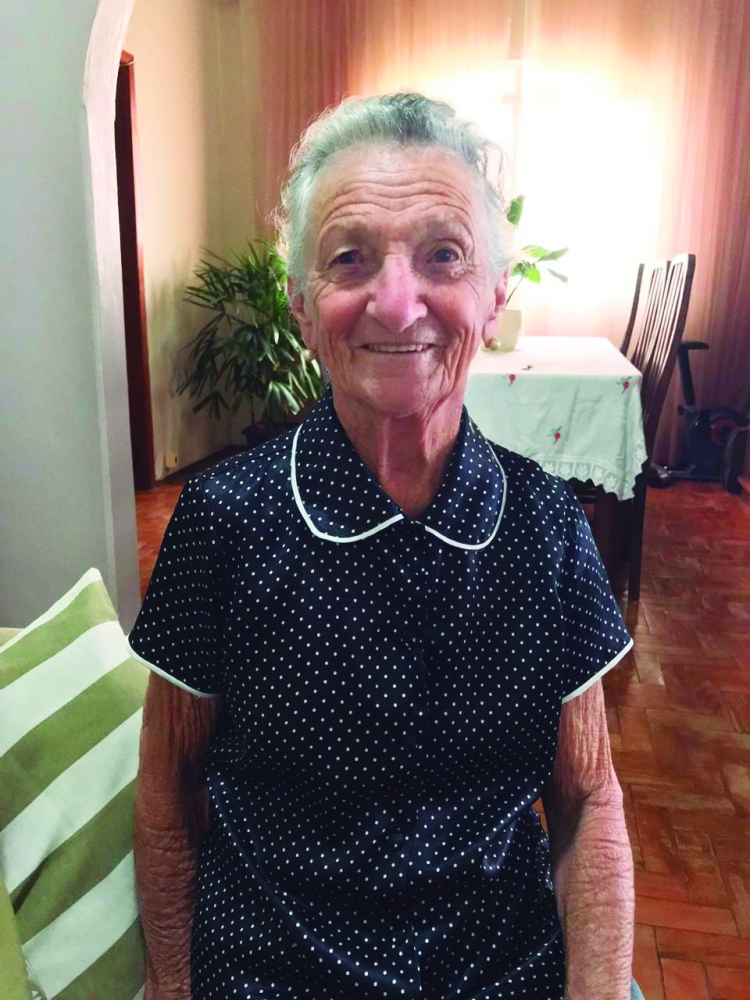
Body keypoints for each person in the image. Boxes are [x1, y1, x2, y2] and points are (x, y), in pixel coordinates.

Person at [129, 93, 638, 1000]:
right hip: (274, 977)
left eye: (443, 254)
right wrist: (172, 988)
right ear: (301, 304)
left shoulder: (547, 528)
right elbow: (168, 786)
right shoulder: (221, 521)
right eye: (349, 257)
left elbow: (589, 796)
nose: (399, 305)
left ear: (495, 295)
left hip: (498, 975)